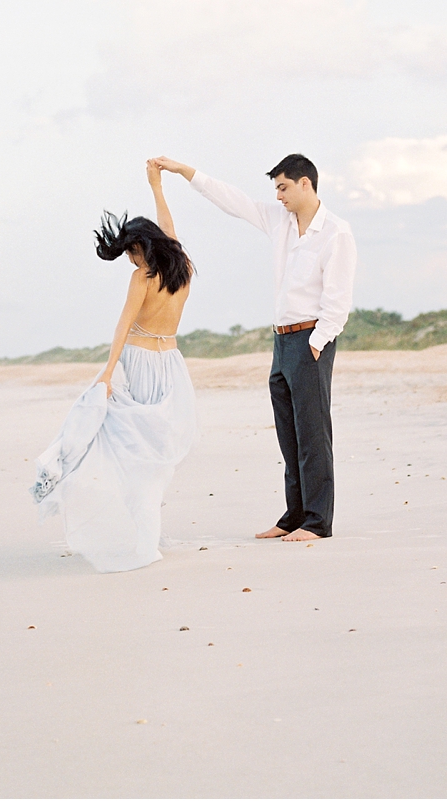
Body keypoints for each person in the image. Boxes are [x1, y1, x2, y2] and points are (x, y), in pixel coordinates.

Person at [150, 154, 356, 542]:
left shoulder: (336, 233)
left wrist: (316, 343)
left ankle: (317, 522)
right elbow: (233, 200)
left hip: (311, 339)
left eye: (283, 187)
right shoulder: (279, 221)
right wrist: (183, 172)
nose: (278, 196)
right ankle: (294, 515)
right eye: (275, 188)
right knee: (288, 434)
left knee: (313, 434)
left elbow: (338, 299)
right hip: (281, 340)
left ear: (305, 184)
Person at [29, 160, 198, 572]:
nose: (129, 260)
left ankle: (64, 475)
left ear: (142, 248)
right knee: (152, 445)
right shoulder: (182, 265)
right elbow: (168, 227)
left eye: (131, 252)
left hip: (138, 361)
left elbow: (123, 326)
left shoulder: (143, 277)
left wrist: (107, 374)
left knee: (124, 443)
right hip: (172, 363)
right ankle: (147, 528)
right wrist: (157, 186)